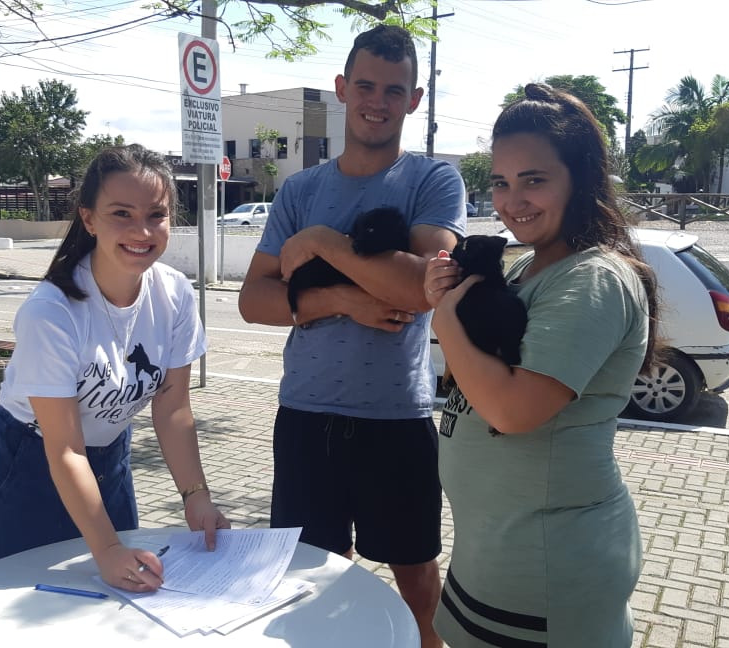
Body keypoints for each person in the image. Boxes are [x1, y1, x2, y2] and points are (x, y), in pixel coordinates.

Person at [238, 25, 466, 648]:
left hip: (397, 416)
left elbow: (426, 286)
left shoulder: (433, 182)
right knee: (309, 577)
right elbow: (253, 300)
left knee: (417, 577)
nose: (378, 100)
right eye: (365, 85)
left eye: (394, 90)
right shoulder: (300, 189)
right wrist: (340, 299)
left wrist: (319, 244)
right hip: (307, 414)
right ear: (342, 89)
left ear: (414, 99)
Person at [423, 83, 661, 646]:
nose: (513, 201)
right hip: (491, 556)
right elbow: (471, 379)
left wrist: (447, 322)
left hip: (548, 573)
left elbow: (512, 410)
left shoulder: (594, 277)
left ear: (579, 179)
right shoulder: (526, 267)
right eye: (501, 182)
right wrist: (450, 297)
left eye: (535, 180)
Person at [0, 145, 229, 591]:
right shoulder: (52, 312)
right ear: (88, 219)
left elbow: (172, 408)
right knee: (24, 602)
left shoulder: (175, 294)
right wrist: (106, 550)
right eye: (121, 214)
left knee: (123, 597)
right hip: (28, 465)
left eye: (157, 215)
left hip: (109, 459)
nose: (142, 230)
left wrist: (196, 497)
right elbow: (65, 449)